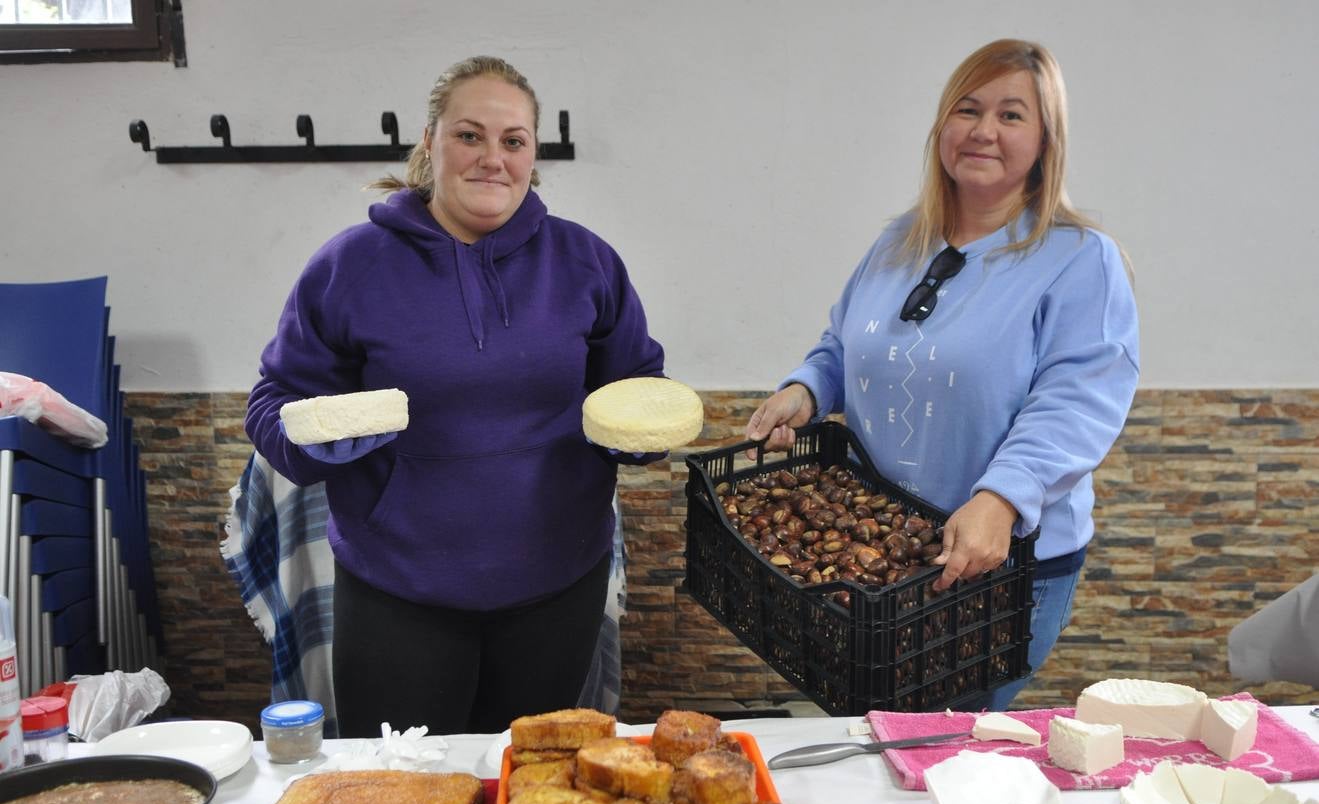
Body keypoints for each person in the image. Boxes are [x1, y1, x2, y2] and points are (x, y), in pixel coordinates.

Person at [245, 56, 665, 737]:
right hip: (396, 591)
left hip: (558, 583)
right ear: (429, 141)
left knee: (535, 794)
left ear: (533, 154)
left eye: (513, 140)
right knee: (398, 801)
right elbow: (274, 401)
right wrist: (310, 441)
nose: (491, 158)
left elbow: (635, 386)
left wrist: (641, 435)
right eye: (469, 135)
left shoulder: (586, 263)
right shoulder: (349, 265)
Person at [745, 39, 1139, 710]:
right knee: (874, 727)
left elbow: (1076, 403)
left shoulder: (1077, 259)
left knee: (947, 745)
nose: (983, 130)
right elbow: (843, 343)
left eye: (1011, 115)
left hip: (993, 565)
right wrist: (805, 387)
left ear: (1045, 141)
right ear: (940, 130)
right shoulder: (899, 241)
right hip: (882, 554)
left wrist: (1002, 498)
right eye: (967, 109)